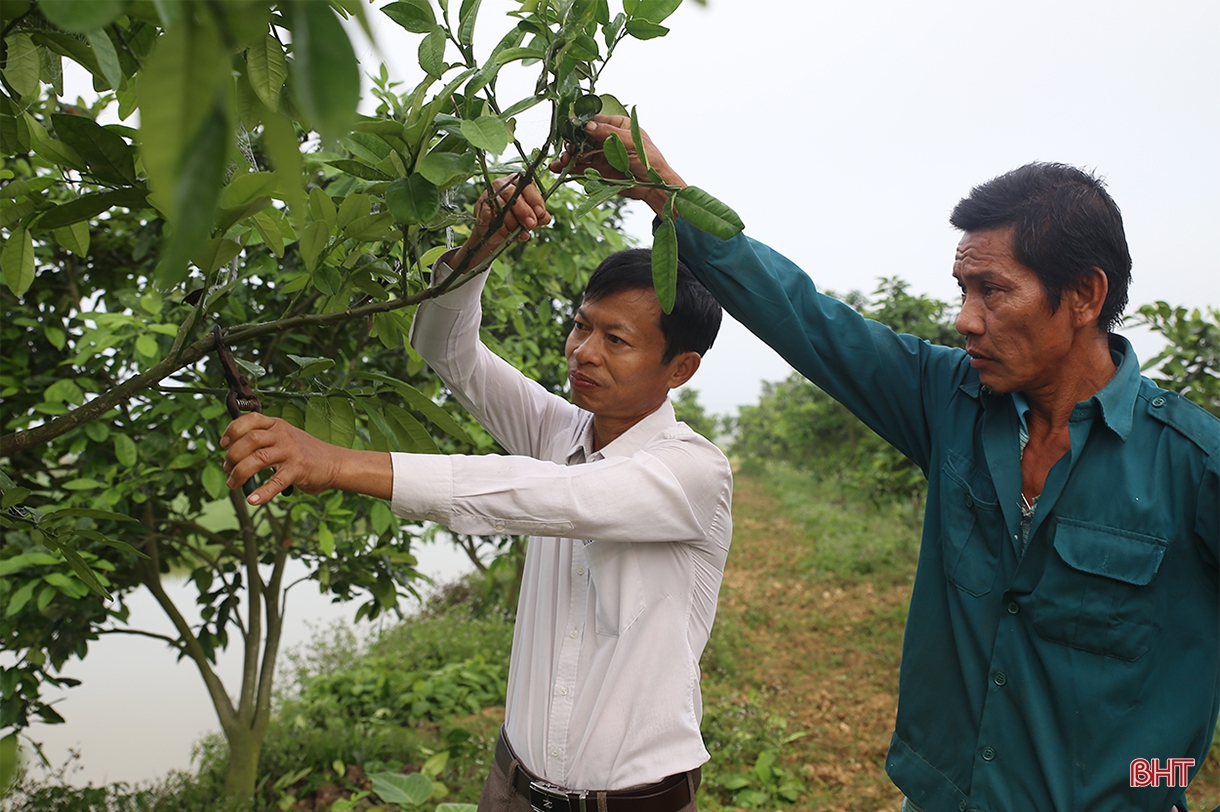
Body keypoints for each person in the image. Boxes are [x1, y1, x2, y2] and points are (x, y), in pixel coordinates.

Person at [555, 118, 1220, 812]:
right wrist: (665, 192)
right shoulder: (950, 401)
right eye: (963, 289)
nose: (966, 319)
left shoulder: (1193, 466)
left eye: (992, 291)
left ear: (1084, 294)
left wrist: (1152, 787)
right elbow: (804, 318)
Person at [221, 178, 732, 812]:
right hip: (509, 788)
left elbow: (557, 497)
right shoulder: (559, 431)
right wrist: (481, 246)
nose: (583, 353)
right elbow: (446, 349)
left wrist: (339, 462)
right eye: (581, 326)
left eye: (617, 340)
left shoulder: (693, 472)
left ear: (680, 368)